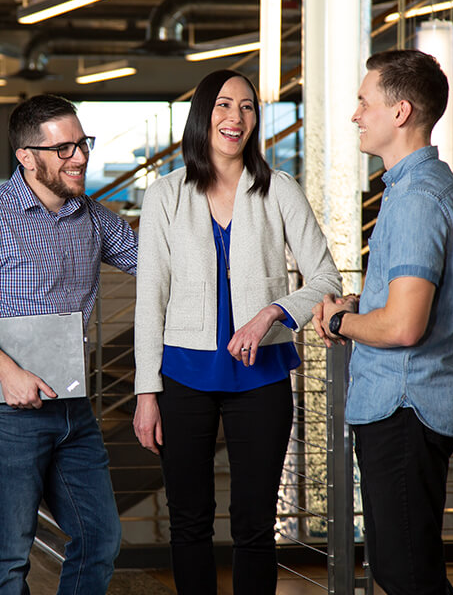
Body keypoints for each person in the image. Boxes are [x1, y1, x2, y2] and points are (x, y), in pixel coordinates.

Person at [132, 69, 342, 594]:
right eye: (224, 105)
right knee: (189, 521)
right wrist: (145, 393)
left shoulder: (280, 190)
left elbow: (326, 278)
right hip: (183, 375)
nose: (236, 117)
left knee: (254, 527)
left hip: (262, 377)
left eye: (248, 107)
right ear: (203, 115)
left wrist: (272, 311)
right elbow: (149, 298)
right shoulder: (166, 195)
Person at [0, 94, 137, 595]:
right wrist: (9, 373)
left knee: (100, 538)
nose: (81, 157)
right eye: (64, 148)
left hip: (72, 407)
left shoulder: (91, 216)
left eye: (82, 143)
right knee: (8, 560)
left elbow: (150, 264)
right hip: (4, 416)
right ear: (27, 156)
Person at [312, 50, 453, 595]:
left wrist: (340, 323)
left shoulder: (415, 198)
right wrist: (368, 304)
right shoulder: (423, 187)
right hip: (407, 405)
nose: (356, 115)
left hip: (405, 405)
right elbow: (405, 303)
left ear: (400, 111)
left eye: (364, 102)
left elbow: (406, 326)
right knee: (399, 568)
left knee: (408, 575)